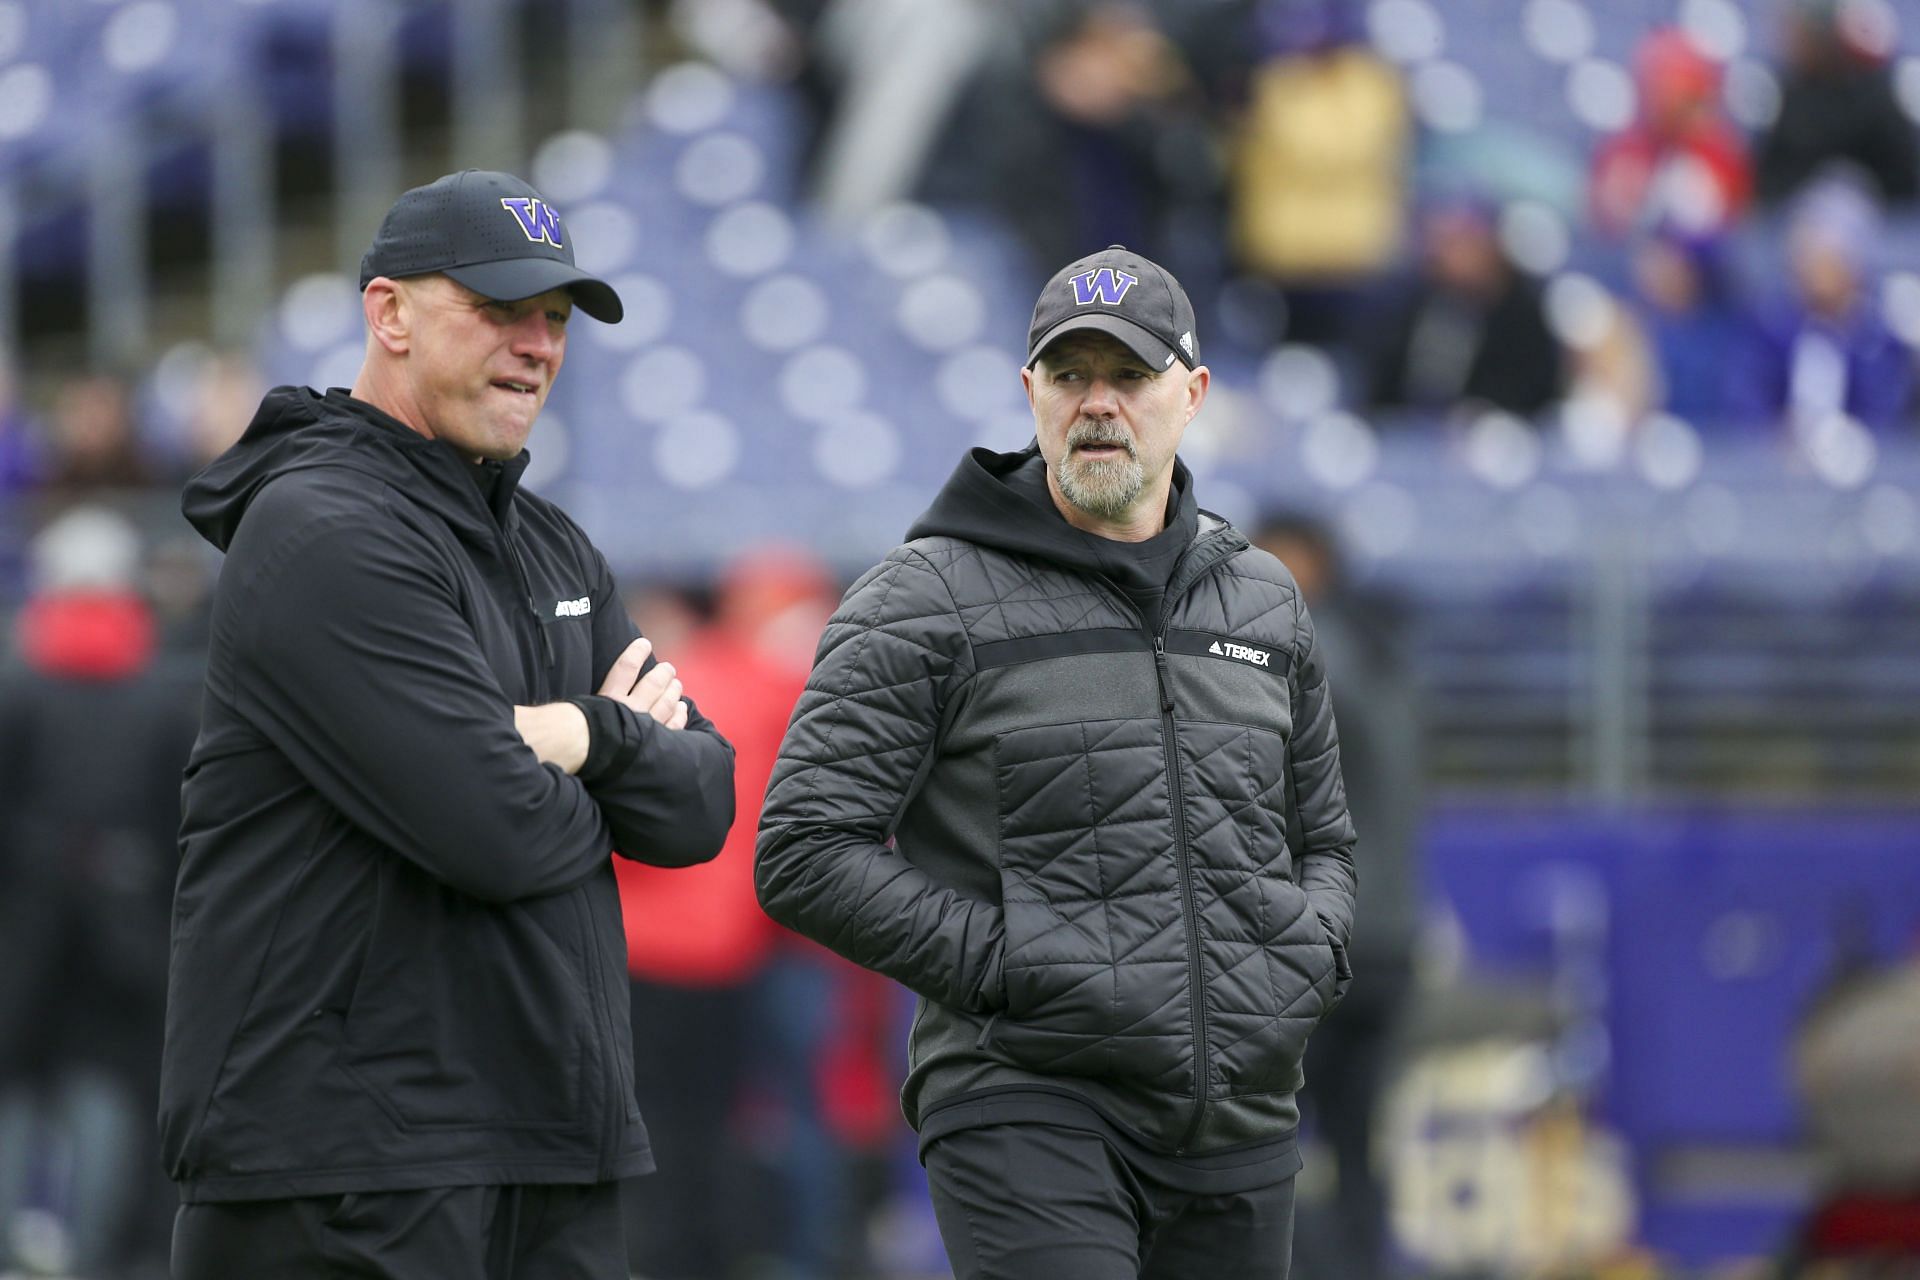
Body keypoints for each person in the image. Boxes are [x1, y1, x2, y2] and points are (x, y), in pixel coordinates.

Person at [159, 169, 737, 1279]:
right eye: (498, 308)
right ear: (389, 314)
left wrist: (576, 734)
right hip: (341, 1162)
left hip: (545, 1142)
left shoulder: (553, 545)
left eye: (555, 319)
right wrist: (603, 754)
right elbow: (495, 827)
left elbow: (700, 803)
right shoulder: (322, 526)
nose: (535, 345)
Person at [757, 245, 1359, 1279]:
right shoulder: (922, 594)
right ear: (1028, 391)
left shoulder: (1262, 599)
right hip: (1027, 1098)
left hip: (1241, 1120)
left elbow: (1328, 841)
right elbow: (805, 847)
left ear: (1193, 392)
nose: (1098, 404)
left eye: (1129, 375)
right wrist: (1014, 964)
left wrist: (1295, 959)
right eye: (1070, 374)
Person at [1251, 514, 1421, 1280]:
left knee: (1264, 1139)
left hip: (1318, 938)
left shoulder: (1306, 653)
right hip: (1389, 939)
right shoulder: (1387, 653)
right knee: (1355, 1146)